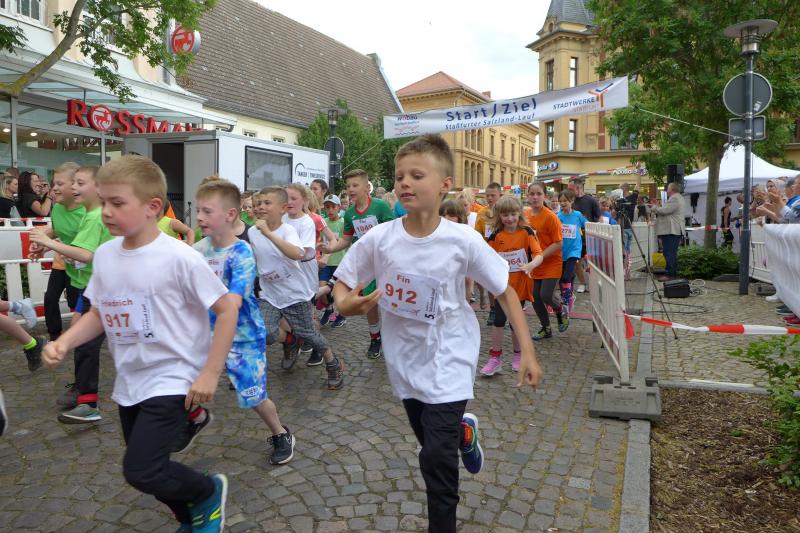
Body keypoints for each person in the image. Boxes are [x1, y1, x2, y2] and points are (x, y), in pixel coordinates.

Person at [332, 134, 543, 533]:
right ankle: (462, 430)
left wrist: (528, 351)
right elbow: (343, 283)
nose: (405, 183)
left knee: (434, 458)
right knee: (429, 440)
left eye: (417, 175)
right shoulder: (380, 239)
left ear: (445, 184)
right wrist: (345, 305)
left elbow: (505, 291)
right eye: (400, 176)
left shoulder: (463, 240)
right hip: (405, 361)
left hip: (451, 356)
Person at [42, 155, 236, 533]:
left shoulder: (180, 257)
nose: (106, 212)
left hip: (174, 377)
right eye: (103, 202)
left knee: (141, 470)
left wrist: (210, 373)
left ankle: (207, 492)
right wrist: (64, 342)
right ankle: (191, 517)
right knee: (149, 470)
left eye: (117, 203)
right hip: (131, 380)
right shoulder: (106, 255)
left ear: (152, 207)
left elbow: (226, 309)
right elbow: (98, 312)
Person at [191, 179, 295, 465]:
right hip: (206, 334)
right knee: (178, 377)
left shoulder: (242, 252)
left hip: (243, 337)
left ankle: (280, 433)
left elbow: (233, 302)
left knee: (253, 396)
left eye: (207, 211)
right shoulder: (196, 251)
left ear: (230, 215)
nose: (199, 217)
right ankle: (192, 417)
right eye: (198, 210)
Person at [29, 166, 113, 423]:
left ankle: (88, 400)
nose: (56, 188)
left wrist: (49, 243)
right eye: (71, 182)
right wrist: (46, 243)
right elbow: (67, 236)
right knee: (82, 337)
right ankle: (85, 394)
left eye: (79, 183)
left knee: (91, 342)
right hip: (88, 285)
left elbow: (85, 253)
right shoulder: (80, 212)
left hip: (104, 286)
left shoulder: (94, 215)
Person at [248, 187, 345, 388]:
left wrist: (269, 234)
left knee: (308, 333)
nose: (261, 207)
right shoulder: (252, 232)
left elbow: (296, 253)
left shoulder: (288, 230)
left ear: (282, 208)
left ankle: (332, 362)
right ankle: (289, 341)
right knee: (265, 332)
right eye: (259, 203)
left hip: (294, 293)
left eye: (267, 203)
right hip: (270, 293)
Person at [321, 169, 394, 360]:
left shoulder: (380, 206)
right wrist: (329, 249)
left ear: (366, 187)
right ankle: (375, 338)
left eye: (355, 185)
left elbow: (394, 233)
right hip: (366, 266)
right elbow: (346, 240)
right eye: (348, 186)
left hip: (386, 263)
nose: (350, 189)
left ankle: (393, 337)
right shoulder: (350, 213)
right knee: (370, 303)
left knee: (389, 302)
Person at [482, 195, 543, 375]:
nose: (509, 219)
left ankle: (518, 355)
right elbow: (486, 257)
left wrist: (531, 265)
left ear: (519, 214)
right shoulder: (496, 236)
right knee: (499, 320)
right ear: (499, 216)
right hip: (502, 286)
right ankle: (495, 358)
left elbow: (539, 254)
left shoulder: (527, 232)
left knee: (515, 322)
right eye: (505, 215)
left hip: (520, 286)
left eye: (513, 214)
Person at [28, 162, 85, 341]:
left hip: (87, 270)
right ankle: (55, 337)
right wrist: (42, 245)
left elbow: (86, 248)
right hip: (63, 263)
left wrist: (47, 243)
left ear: (75, 186)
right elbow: (58, 229)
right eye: (54, 183)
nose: (54, 188)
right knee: (50, 298)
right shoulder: (58, 208)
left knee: (76, 304)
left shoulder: (89, 211)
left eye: (60, 184)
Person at [526, 182, 566, 339]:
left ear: (545, 196)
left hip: (551, 262)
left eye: (539, 194)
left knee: (545, 295)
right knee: (534, 297)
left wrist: (540, 256)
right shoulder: (526, 214)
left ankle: (560, 309)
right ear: (527, 196)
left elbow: (559, 243)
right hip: (535, 264)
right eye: (532, 194)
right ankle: (546, 328)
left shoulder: (551, 217)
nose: (535, 197)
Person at [318, 194, 347, 328]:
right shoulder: (323, 222)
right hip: (325, 263)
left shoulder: (343, 223)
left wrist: (335, 243)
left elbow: (346, 242)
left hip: (339, 262)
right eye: (327, 207)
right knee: (321, 289)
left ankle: (342, 315)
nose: (330, 210)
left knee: (337, 292)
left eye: (333, 207)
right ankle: (329, 309)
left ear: (339, 207)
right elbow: (320, 239)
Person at [474, 182, 502, 320]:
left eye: (493, 195)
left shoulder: (505, 211)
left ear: (500, 195)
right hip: (489, 253)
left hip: (505, 252)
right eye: (487, 195)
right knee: (491, 282)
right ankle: (493, 309)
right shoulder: (481, 213)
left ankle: (506, 308)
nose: (490, 198)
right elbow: (477, 234)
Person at [557, 190, 587, 316]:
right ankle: (567, 297)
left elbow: (587, 225)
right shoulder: (557, 216)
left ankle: (568, 298)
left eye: (565, 201)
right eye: (560, 201)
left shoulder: (578, 215)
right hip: (562, 250)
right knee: (562, 279)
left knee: (566, 277)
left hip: (574, 250)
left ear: (572, 201)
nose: (562, 203)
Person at [568, 178, 600, 293]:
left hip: (590, 237)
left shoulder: (591, 201)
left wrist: (597, 232)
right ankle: (582, 283)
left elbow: (599, 217)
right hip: (576, 238)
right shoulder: (570, 201)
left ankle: (595, 284)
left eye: (570, 188)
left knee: (593, 263)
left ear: (578, 188)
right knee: (577, 263)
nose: (568, 191)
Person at [652, 182, 685, 281]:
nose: (666, 190)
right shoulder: (678, 198)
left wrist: (654, 207)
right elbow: (666, 210)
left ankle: (669, 275)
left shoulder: (675, 198)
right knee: (671, 253)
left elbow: (664, 211)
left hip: (672, 230)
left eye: (668, 189)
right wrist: (658, 206)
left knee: (669, 252)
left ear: (672, 190)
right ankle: (672, 274)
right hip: (673, 230)